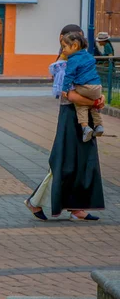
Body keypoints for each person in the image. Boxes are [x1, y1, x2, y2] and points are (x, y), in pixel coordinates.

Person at [25, 24, 105, 222]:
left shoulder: (80, 60)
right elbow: (70, 96)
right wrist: (95, 101)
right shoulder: (62, 66)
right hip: (71, 116)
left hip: (84, 116)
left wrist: (99, 96)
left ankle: (77, 207)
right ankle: (36, 201)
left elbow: (90, 85)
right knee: (64, 162)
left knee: (84, 161)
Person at [60, 31, 104, 141]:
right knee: (93, 106)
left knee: (81, 105)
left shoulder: (73, 59)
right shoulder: (88, 56)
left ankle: (85, 127)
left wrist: (65, 89)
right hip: (97, 86)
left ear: (74, 46)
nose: (62, 50)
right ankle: (99, 125)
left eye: (64, 47)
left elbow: (69, 75)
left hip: (84, 86)